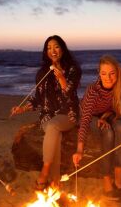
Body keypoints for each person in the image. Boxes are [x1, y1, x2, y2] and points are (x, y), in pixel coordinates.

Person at [10, 35, 81, 189]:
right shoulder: (42, 72)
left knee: (54, 127)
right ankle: (55, 183)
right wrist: (22, 108)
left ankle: (45, 171)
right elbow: (38, 99)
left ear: (62, 48)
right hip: (47, 117)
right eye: (48, 48)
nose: (52, 50)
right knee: (53, 129)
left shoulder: (73, 69)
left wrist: (62, 78)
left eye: (56, 46)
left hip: (68, 114)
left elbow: (70, 94)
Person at [72, 55, 121, 197]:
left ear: (118, 72)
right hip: (88, 115)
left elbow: (115, 107)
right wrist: (79, 149)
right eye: (104, 73)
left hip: (107, 114)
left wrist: (104, 117)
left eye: (112, 73)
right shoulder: (93, 91)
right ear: (99, 74)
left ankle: (119, 180)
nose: (108, 77)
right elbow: (84, 120)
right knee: (108, 132)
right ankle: (106, 178)